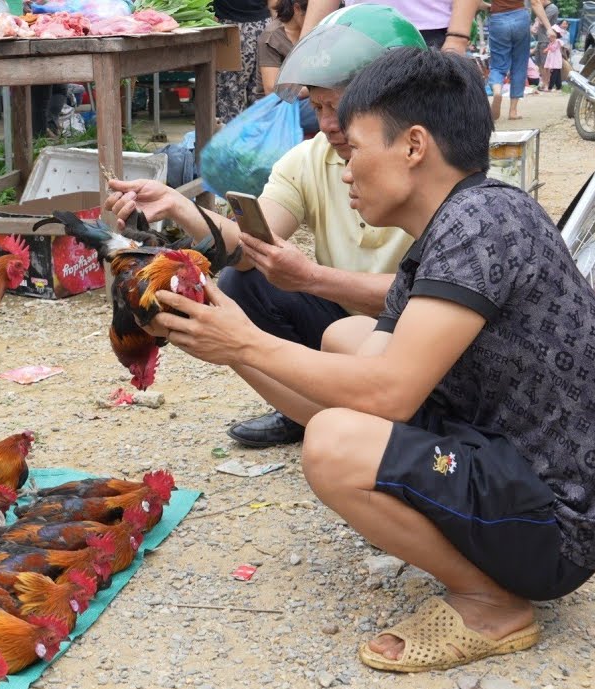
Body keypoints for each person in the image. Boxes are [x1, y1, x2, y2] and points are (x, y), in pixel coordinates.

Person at [148, 47, 595, 673]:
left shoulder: (478, 226)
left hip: (556, 525)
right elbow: (351, 384)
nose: (346, 170)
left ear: (414, 146)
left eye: (354, 151)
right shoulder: (455, 223)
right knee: (346, 339)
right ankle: (479, 553)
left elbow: (385, 397)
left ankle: (492, 603)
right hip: (507, 461)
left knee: (335, 446)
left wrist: (245, 341)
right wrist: (230, 348)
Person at [107, 5, 425, 448]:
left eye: (342, 107)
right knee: (244, 278)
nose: (329, 124)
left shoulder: (432, 169)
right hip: (342, 329)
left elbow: (431, 295)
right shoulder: (310, 159)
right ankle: (306, 405)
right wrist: (177, 205)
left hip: (421, 339)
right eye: (319, 107)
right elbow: (252, 243)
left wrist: (312, 278)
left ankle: (362, 418)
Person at [299, 0, 478, 51]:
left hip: (430, 33)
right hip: (360, 34)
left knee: (431, 124)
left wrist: (457, 40)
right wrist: (305, 47)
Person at [256, 0, 319, 135]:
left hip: (304, 99)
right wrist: (308, 89)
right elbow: (273, 91)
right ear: (297, 9)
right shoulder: (272, 37)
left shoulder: (316, 34)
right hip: (278, 108)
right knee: (335, 110)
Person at [488, 0, 556, 121]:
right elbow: (535, 3)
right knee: (519, 64)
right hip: (520, 18)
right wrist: (549, 28)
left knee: (498, 64)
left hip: (497, 19)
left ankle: (497, 91)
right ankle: (513, 111)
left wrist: (489, 6)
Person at [215, 0, 273, 124]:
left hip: (237, 25)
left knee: (233, 92)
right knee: (242, 91)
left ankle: (236, 136)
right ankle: (247, 136)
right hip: (235, 26)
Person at [545, 24, 564, 91]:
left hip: (555, 60)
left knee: (554, 73)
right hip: (554, 59)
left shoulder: (557, 41)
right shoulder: (552, 42)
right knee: (557, 73)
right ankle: (559, 86)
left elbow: (553, 49)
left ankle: (550, 87)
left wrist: (548, 48)